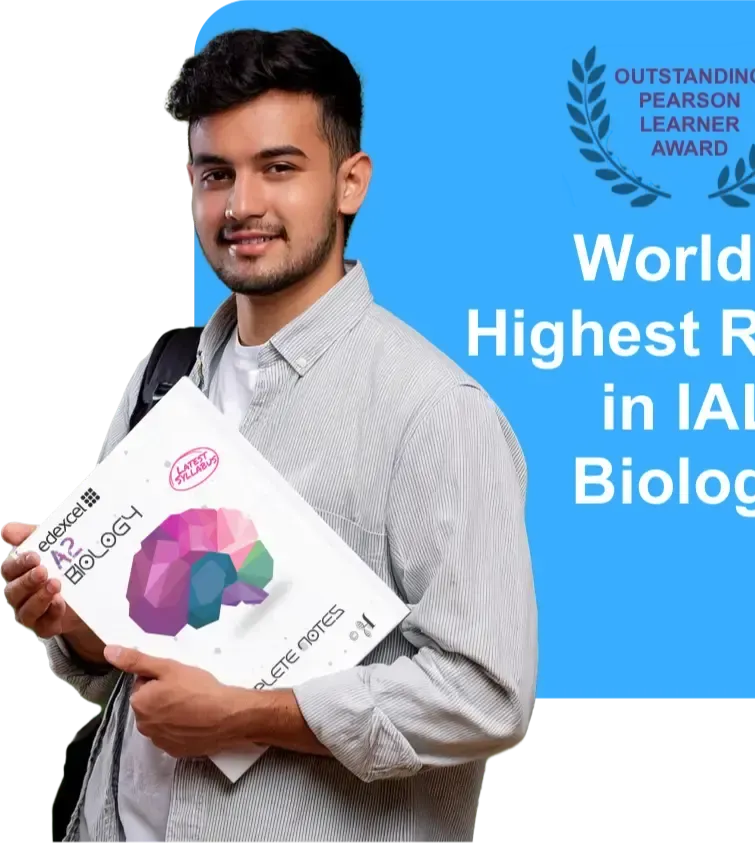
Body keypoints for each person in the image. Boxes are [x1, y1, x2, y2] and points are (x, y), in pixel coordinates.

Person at [1, 27, 537, 844]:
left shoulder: (436, 410)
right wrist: (70, 618)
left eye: (279, 168)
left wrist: (247, 716)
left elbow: (487, 695)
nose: (241, 205)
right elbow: (133, 658)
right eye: (218, 174)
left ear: (350, 182)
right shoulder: (166, 373)